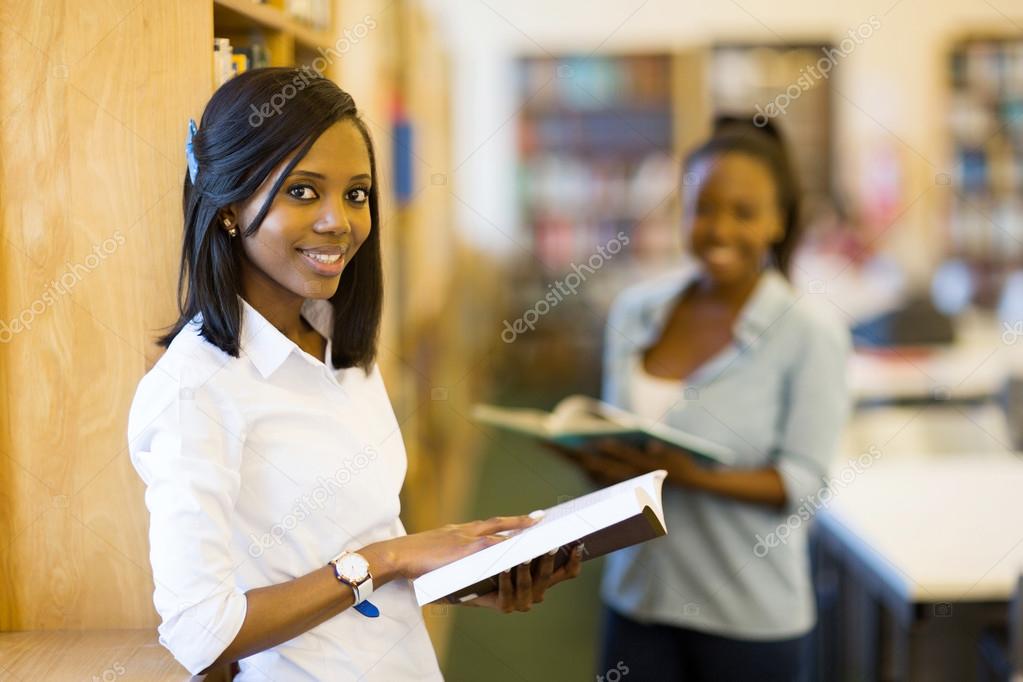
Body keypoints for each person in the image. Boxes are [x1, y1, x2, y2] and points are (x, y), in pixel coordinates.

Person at [126, 67, 582, 681]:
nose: (338, 221)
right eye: (304, 191)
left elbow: (351, 571)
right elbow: (200, 633)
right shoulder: (195, 392)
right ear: (229, 204)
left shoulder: (344, 350)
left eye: (357, 194)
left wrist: (461, 574)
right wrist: (392, 557)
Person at [564, 116, 850, 681]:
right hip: (638, 601)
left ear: (779, 221)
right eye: (702, 209)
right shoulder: (636, 312)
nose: (719, 228)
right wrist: (588, 457)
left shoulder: (809, 333)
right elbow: (617, 449)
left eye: (743, 212)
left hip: (751, 619)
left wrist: (685, 475)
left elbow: (804, 484)